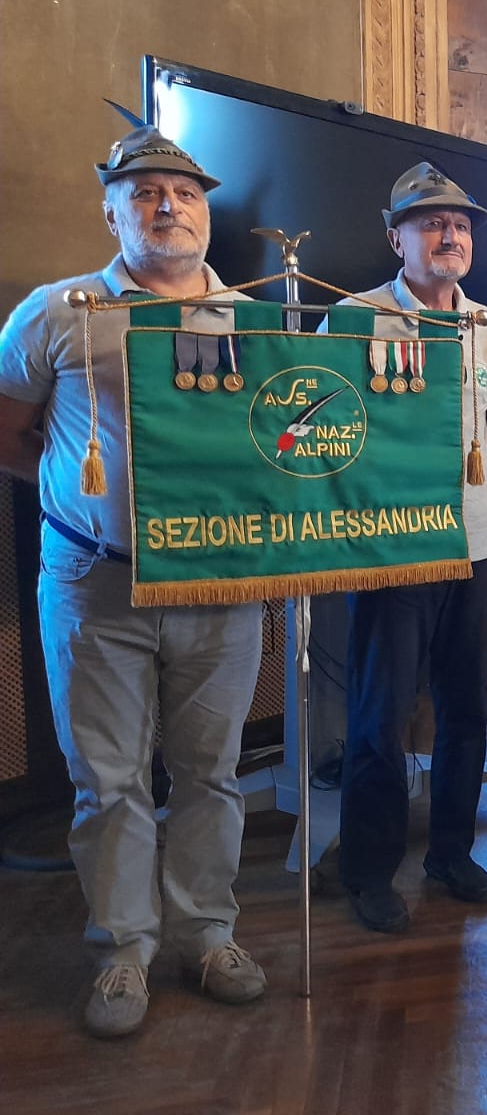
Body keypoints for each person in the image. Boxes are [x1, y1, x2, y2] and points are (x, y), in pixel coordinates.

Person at [0, 122, 266, 1036]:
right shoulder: (57, 309)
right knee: (107, 778)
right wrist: (87, 510)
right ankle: (123, 949)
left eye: (186, 193)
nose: (168, 206)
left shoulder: (254, 318)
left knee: (212, 772)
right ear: (111, 208)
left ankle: (206, 931)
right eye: (146, 191)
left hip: (222, 591)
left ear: (206, 213)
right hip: (95, 588)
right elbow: (9, 428)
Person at [335, 163, 487, 932]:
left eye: (462, 225)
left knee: (466, 709)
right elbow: (324, 434)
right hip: (395, 549)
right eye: (433, 223)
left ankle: (449, 851)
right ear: (394, 235)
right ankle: (370, 870)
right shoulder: (351, 320)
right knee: (382, 717)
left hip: (476, 546)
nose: (450, 236)